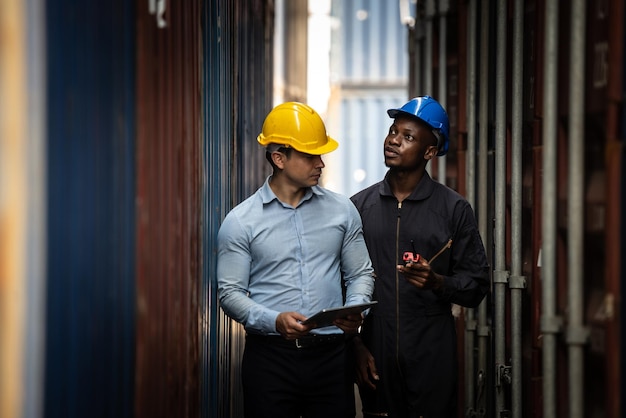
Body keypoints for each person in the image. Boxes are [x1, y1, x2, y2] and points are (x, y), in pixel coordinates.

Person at [217, 101, 375, 418]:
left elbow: (361, 273)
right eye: (310, 155)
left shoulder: (342, 211)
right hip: (270, 361)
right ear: (279, 158)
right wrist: (273, 320)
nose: (321, 163)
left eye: (321, 154)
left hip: (331, 360)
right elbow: (229, 293)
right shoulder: (241, 222)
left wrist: (355, 308)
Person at [350, 96, 490, 417]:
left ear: (429, 151)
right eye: (393, 131)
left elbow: (477, 286)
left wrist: (437, 282)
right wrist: (355, 346)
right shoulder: (358, 207)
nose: (394, 141)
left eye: (408, 137)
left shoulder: (453, 210)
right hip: (376, 350)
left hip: (432, 353)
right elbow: (339, 287)